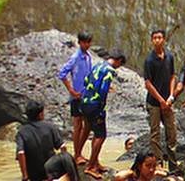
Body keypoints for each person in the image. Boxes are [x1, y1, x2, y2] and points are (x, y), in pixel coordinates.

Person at [81, 50, 126, 179]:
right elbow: (103, 90)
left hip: (85, 102)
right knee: (100, 136)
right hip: (95, 106)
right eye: (120, 64)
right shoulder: (109, 71)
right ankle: (90, 167)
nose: (118, 67)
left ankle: (95, 162)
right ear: (118, 61)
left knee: (93, 132)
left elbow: (86, 81)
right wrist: (101, 108)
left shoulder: (98, 65)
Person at [57, 30, 94, 164]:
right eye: (85, 42)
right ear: (79, 43)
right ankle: (77, 154)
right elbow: (62, 74)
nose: (87, 45)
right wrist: (71, 90)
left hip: (86, 96)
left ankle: (79, 152)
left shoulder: (88, 57)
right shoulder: (75, 57)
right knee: (78, 125)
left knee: (87, 125)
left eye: (89, 42)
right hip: (77, 97)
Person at [144, 29, 179, 170]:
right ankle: (158, 164)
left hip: (168, 102)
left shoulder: (169, 57)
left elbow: (173, 76)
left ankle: (173, 165)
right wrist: (160, 100)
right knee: (155, 134)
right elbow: (147, 83)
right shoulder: (149, 60)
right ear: (152, 41)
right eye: (155, 38)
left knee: (172, 133)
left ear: (164, 40)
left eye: (160, 37)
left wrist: (171, 96)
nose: (157, 40)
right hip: (154, 103)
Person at [16, 101, 64, 181]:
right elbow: (62, 146)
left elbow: (21, 153)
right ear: (40, 114)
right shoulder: (50, 127)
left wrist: (25, 175)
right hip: (51, 171)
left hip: (33, 174)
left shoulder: (22, 131)